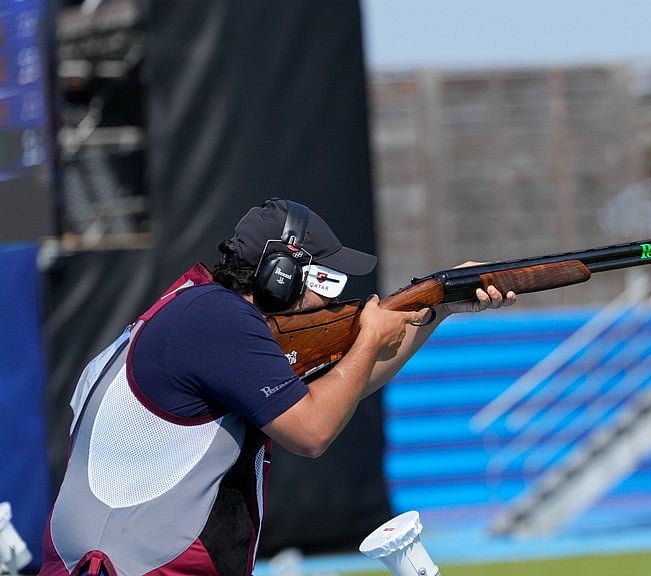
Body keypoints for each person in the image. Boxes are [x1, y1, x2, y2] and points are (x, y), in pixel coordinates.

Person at [40, 198, 516, 576]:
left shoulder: (197, 313)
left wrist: (443, 305)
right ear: (280, 275)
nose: (330, 299)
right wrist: (369, 338)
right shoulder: (218, 320)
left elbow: (340, 388)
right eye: (325, 282)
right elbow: (313, 430)